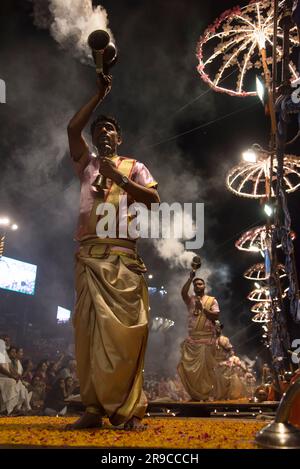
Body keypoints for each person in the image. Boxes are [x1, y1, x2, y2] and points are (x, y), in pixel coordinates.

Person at [66, 73, 160, 430]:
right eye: (98, 129)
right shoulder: (86, 165)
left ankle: (127, 408)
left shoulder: (134, 166)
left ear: (119, 137)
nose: (102, 132)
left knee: (125, 336)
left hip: (123, 260)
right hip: (90, 259)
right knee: (87, 335)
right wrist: (98, 95)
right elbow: (72, 129)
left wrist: (119, 178)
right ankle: (93, 407)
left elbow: (153, 199)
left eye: (109, 129)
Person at [177, 274, 220, 401]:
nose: (197, 286)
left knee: (204, 372)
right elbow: (183, 292)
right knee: (188, 369)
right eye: (195, 284)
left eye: (200, 284)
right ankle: (195, 396)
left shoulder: (212, 300)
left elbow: (216, 317)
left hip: (206, 341)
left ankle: (205, 396)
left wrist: (204, 309)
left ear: (204, 286)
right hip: (192, 341)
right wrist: (190, 278)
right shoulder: (190, 300)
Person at [0, 336, 32, 415]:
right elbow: (1, 368)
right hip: (1, 377)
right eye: (5, 341)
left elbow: (11, 369)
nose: (8, 342)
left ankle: (12, 408)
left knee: (19, 384)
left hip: (6, 377)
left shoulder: (5, 354)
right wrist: (12, 376)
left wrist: (18, 376)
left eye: (8, 341)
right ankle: (6, 409)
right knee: (12, 382)